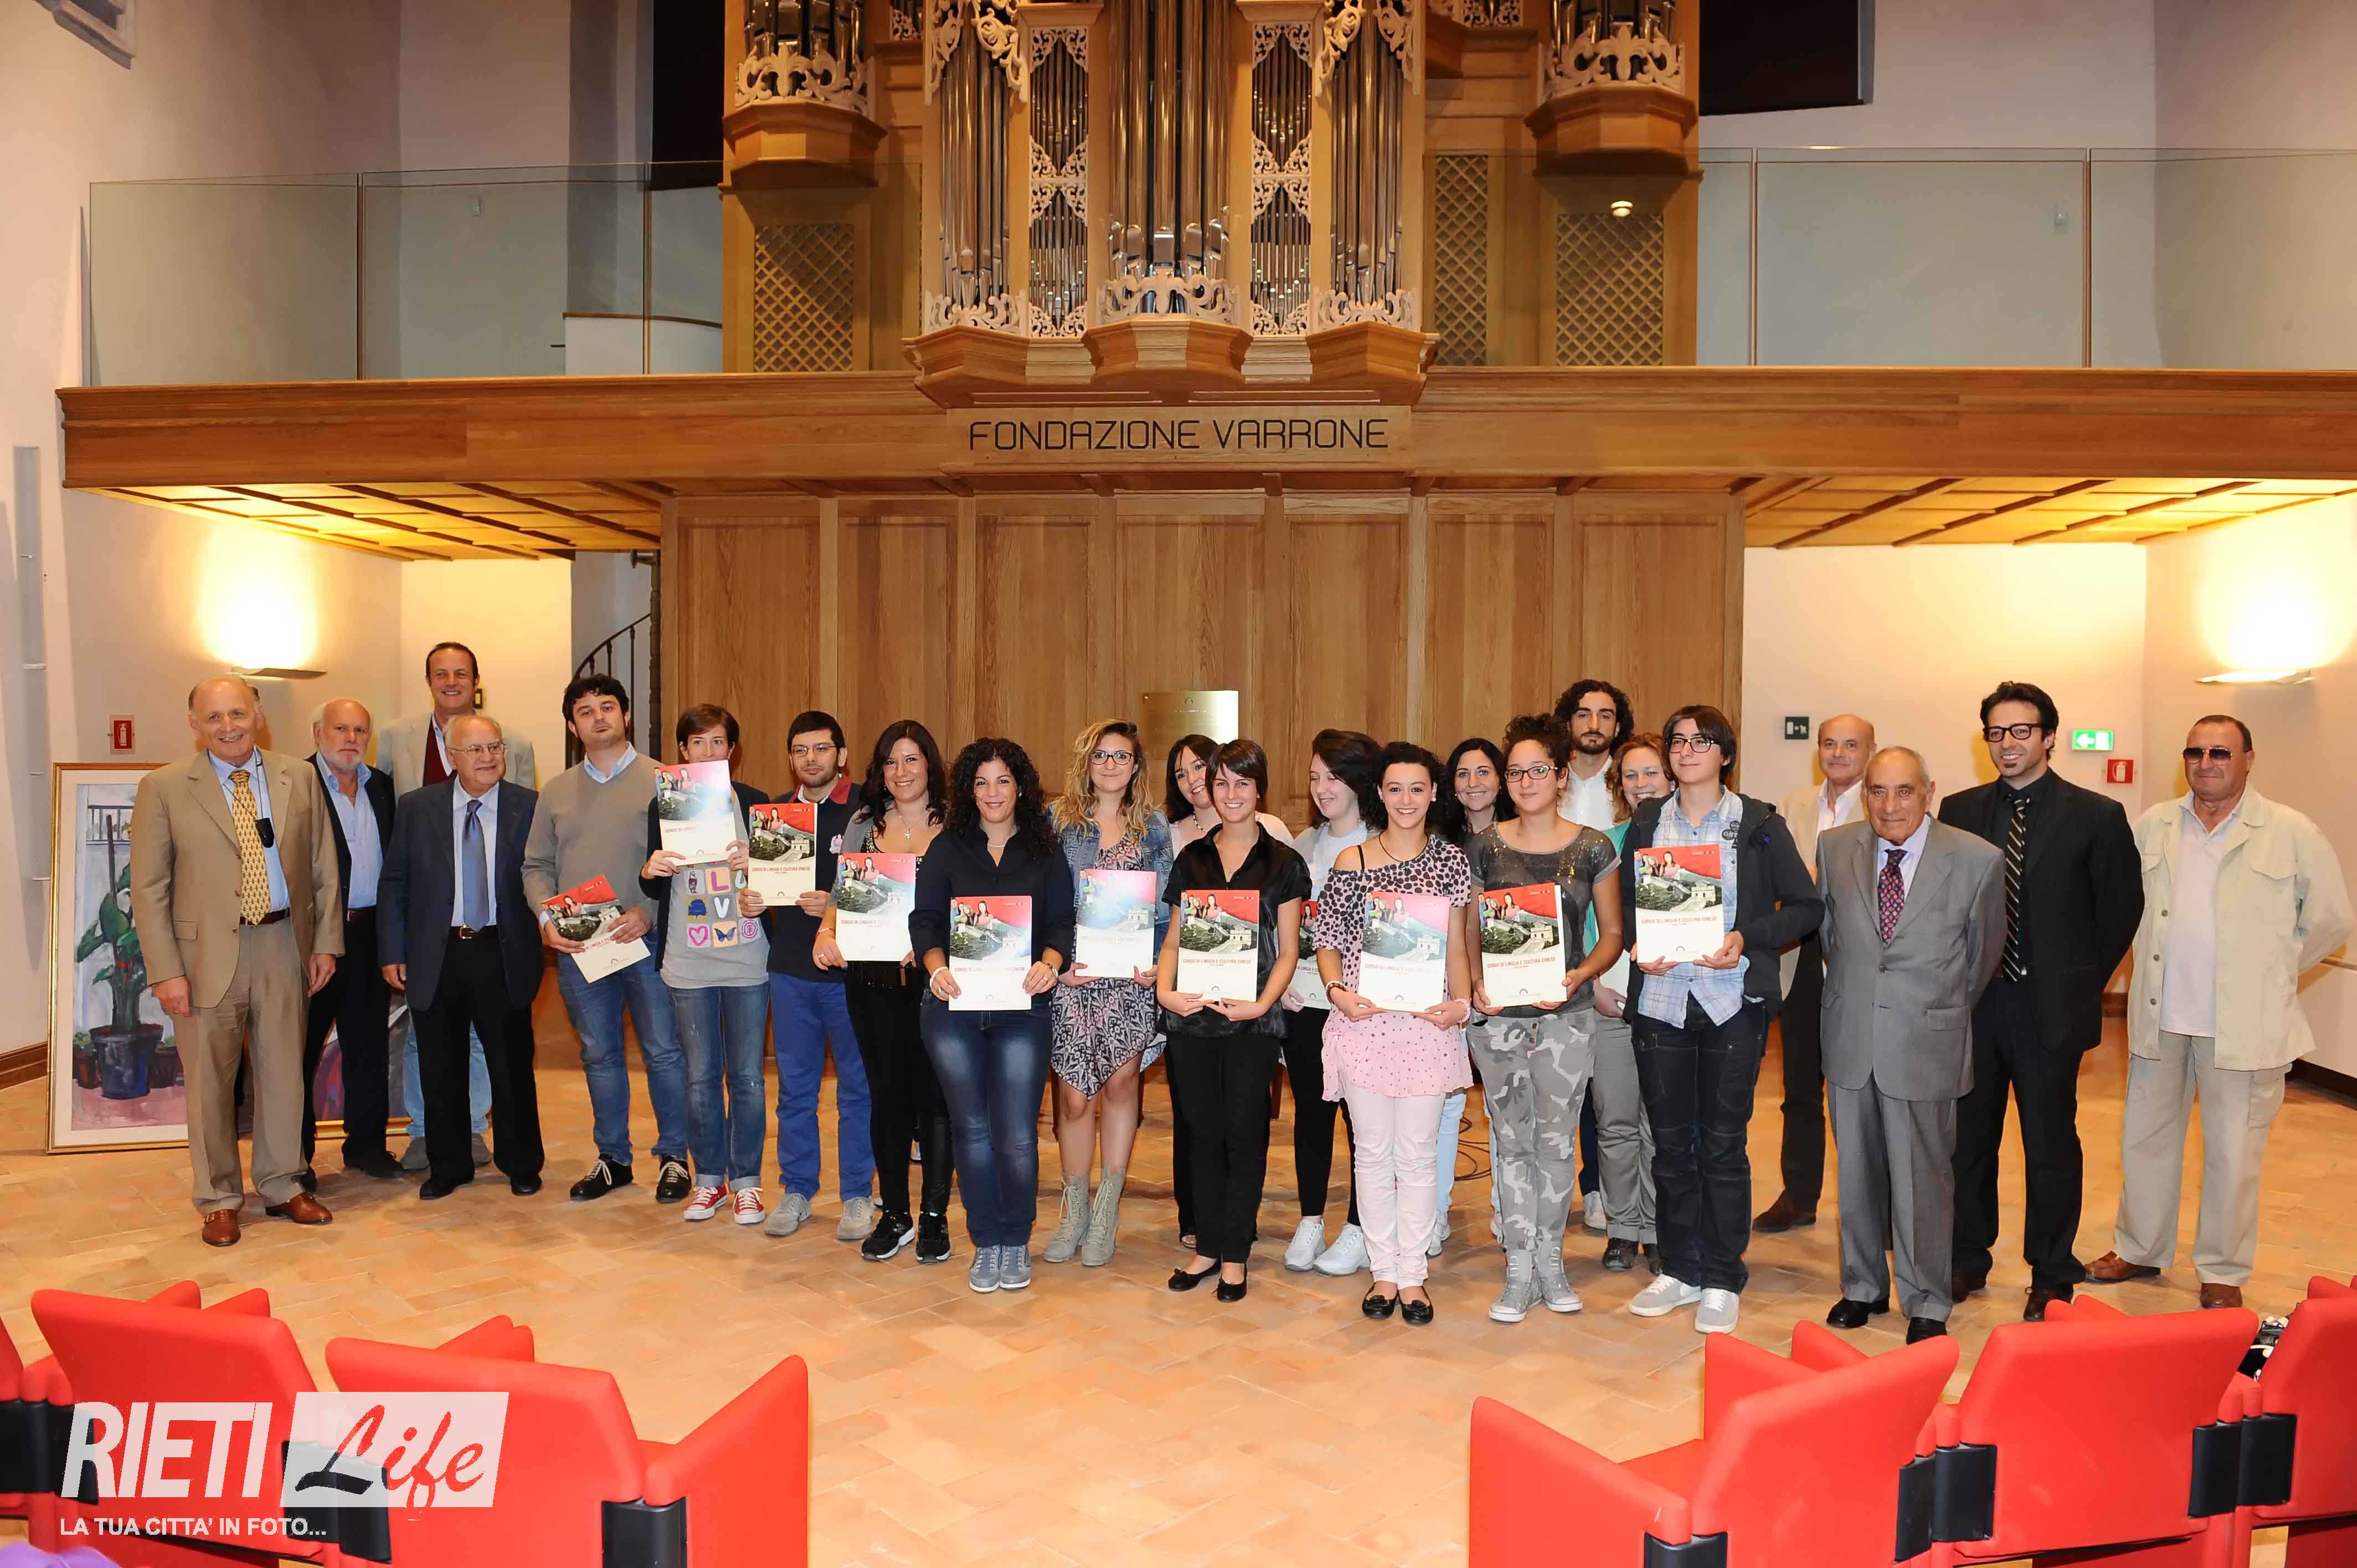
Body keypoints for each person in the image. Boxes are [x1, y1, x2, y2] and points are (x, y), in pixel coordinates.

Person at [2087, 717, 2351, 1310]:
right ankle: (2140, 1248)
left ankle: (2222, 1269)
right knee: (2144, 1141)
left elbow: (2331, 919)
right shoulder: (2153, 825)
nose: (2205, 762)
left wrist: (2273, 970)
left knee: (2233, 1154)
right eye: (2195, 751)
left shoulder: (2290, 831)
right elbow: (2120, 905)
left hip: (2243, 1027)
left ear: (2248, 759)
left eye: (2220, 752)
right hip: (2160, 1017)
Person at [1937, 680, 2142, 1320]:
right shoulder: (1958, 810)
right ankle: (1966, 1256)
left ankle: (2051, 1272)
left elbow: (2120, 909)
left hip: (2049, 1012)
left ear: (2049, 736)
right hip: (1976, 1006)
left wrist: (2078, 984)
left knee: (2050, 1146)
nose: (2006, 744)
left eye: (2020, 731)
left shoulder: (2096, 815)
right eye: (1995, 733)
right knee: (1968, 1140)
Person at [1618, 705, 1821, 1335]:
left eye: (1701, 741)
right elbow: (1627, 905)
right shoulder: (1647, 822)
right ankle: (1680, 1268)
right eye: (1677, 741)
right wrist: (1638, 944)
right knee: (1671, 1145)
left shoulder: (1758, 823)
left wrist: (1745, 937)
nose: (1686, 751)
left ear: (1725, 755)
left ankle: (1722, 1276)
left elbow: (1806, 907)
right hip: (1660, 1002)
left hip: (1731, 1002)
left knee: (1722, 1145)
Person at [130, 677, 341, 1246]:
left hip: (283, 944)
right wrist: (166, 971)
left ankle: (282, 1184)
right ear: (195, 725)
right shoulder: (164, 788)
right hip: (203, 958)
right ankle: (219, 1199)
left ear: (258, 714)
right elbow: (149, 889)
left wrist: (325, 942)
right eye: (214, 717)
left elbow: (324, 866)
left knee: (284, 1074)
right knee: (210, 1085)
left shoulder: (300, 777)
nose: (228, 727)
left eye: (238, 714)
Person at [1818, 747, 2004, 1343]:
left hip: (1924, 1041)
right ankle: (1862, 1287)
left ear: (1928, 792)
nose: (1890, 805)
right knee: (1855, 1174)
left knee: (1924, 1178)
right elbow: (1832, 940)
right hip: (1851, 1037)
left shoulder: (1976, 859)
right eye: (1877, 791)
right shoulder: (1834, 848)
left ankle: (1926, 1298)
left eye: (1903, 791)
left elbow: (1980, 958)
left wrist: (1927, 1008)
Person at [1310, 741, 1476, 1326]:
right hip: (1365, 1027)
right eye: (1395, 788)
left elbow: (1456, 947)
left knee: (1418, 1156)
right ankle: (1383, 1271)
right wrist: (1337, 993)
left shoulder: (1452, 862)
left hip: (1427, 1030)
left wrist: (1461, 1006)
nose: (1406, 799)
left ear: (1434, 795)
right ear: (1379, 794)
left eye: (1417, 788)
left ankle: (1413, 1275)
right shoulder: (1351, 861)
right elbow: (1326, 943)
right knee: (1373, 1154)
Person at [1466, 713, 1624, 1323]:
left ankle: (1551, 1264)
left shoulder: (1593, 846)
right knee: (1511, 1144)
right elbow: (1470, 933)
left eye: (1538, 770)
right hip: (1499, 1019)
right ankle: (1518, 1268)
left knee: (1556, 1144)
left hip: (1566, 1018)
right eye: (1515, 772)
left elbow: (1612, 935)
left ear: (1560, 776)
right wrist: (1476, 983)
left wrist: (1581, 975)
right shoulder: (1484, 847)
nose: (1526, 781)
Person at [912, 737, 1076, 1294]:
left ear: (1021, 786)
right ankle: (985, 1240)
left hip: (1023, 1011)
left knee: (1017, 1135)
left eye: (1003, 780)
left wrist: (1050, 963)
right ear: (968, 790)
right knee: (972, 1130)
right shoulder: (947, 848)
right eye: (981, 782)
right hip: (953, 1009)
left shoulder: (1044, 849)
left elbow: (1061, 923)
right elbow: (925, 920)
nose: (992, 792)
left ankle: (1015, 1238)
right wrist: (935, 967)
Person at [522, 674, 692, 1204]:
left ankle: (674, 1158)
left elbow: (688, 864)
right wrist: (547, 921)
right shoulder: (555, 791)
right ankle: (613, 1159)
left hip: (647, 940)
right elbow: (536, 866)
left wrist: (649, 913)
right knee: (599, 1055)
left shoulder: (665, 781)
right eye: (586, 711)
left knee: (664, 1052)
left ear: (626, 716)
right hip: (583, 947)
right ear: (573, 727)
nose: (598, 717)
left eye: (608, 707)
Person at [1158, 739, 1310, 1303]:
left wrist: (1262, 1004)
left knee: (1245, 1135)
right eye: (1220, 782)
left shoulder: (1284, 863)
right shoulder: (1191, 859)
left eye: (1242, 783)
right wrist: (1166, 992)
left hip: (1252, 1024)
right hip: (1192, 1021)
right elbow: (1173, 941)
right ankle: (1207, 1245)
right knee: (1200, 1135)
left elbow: (1290, 950)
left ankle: (1235, 1254)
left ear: (1259, 790)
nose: (1230, 793)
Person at [378, 713, 547, 1199]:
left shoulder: (530, 806)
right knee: (440, 1064)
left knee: (511, 1064)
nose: (488, 757)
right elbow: (396, 883)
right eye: (475, 750)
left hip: (504, 949)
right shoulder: (417, 807)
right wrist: (393, 950)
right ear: (451, 756)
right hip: (437, 952)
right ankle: (448, 1166)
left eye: (495, 747)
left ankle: (521, 1162)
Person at [816, 720, 956, 1266]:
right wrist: (826, 932)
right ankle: (896, 1213)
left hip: (935, 986)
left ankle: (934, 1216)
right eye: (891, 761)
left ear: (930, 764)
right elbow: (840, 893)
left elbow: (970, 900)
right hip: (871, 984)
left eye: (911, 759)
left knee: (935, 1101)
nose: (901, 771)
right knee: (887, 1098)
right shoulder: (862, 825)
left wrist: (932, 947)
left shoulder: (957, 825)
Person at [1047, 719, 1172, 1267]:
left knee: (1122, 1084)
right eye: (1100, 755)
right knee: (1075, 1098)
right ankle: (1073, 1209)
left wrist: (1159, 964)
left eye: (1121, 756)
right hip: (1073, 976)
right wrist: (1055, 963)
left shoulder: (1153, 826)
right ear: (1086, 762)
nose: (1110, 765)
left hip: (1131, 978)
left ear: (1136, 766)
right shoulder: (1057, 820)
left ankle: (1106, 1210)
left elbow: (1166, 906)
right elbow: (1043, 897)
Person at [641, 705, 773, 1227]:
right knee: (699, 1078)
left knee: (747, 1078)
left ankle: (747, 1183)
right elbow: (653, 882)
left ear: (732, 750)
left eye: (719, 742)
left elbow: (781, 880)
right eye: (698, 742)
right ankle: (710, 1180)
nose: (709, 751)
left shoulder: (758, 803)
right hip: (688, 957)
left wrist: (757, 865)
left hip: (747, 958)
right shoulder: (663, 804)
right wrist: (650, 869)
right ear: (683, 751)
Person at [758, 710, 874, 1241]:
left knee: (857, 1091)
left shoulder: (867, 811)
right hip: (790, 972)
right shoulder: (777, 814)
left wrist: (835, 903)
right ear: (791, 758)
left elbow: (885, 888)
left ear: (841, 755)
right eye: (801, 750)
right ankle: (798, 1189)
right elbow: (763, 890)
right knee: (795, 1091)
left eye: (822, 748)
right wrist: (752, 898)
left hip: (851, 975)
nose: (811, 758)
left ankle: (857, 1194)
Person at [1758, 712, 1875, 1234]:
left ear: (1870, 752)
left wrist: (1813, 878)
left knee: (1863, 1092)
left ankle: (1874, 1208)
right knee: (1801, 1087)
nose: (1838, 754)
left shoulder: (1883, 804)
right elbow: (1775, 878)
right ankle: (1799, 1196)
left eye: (1851, 745)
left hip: (1857, 961)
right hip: (1800, 958)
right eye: (1830, 744)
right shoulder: (1791, 806)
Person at [1285, 730, 1378, 1276]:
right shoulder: (1303, 845)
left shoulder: (1383, 846)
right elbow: (1285, 926)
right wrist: (1281, 980)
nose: (1322, 788)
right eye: (1315, 777)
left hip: (1362, 1007)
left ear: (1360, 782)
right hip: (1305, 1004)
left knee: (1364, 1121)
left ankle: (1361, 1227)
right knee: (1311, 1113)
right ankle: (1310, 1218)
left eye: (1334, 777)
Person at [301, 698, 400, 1184]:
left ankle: (367, 1148)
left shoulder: (381, 786)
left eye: (360, 730)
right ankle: (294, 1159)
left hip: (369, 934)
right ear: (317, 732)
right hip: (315, 938)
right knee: (299, 1053)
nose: (351, 739)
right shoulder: (295, 783)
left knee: (368, 1047)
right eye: (341, 729)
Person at [1553, 677, 1632, 1233]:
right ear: (1568, 723)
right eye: (1583, 713)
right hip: (1550, 946)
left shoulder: (1629, 789)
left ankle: (1601, 1186)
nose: (1594, 724)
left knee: (1608, 1085)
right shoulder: (1547, 784)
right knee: (1565, 1081)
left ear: (1617, 726)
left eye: (1605, 715)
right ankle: (1569, 1189)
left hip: (1608, 950)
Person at [1592, 734, 1668, 1274]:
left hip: (1670, 1003)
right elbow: (1586, 925)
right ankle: (1622, 1228)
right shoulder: (1604, 844)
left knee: (1661, 1124)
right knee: (1615, 1119)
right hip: (1611, 999)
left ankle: (1660, 1229)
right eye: (1631, 776)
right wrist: (1593, 985)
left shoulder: (1691, 840)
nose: (1642, 784)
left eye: (1651, 773)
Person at [1435, 737, 1507, 1256]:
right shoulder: (1437, 843)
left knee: (1505, 1108)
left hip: (1508, 990)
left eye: (1484, 772)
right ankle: (1435, 1212)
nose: (1473, 783)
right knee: (1446, 1105)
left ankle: (1507, 1212)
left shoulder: (1521, 838)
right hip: (1446, 989)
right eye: (1463, 774)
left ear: (1501, 780)